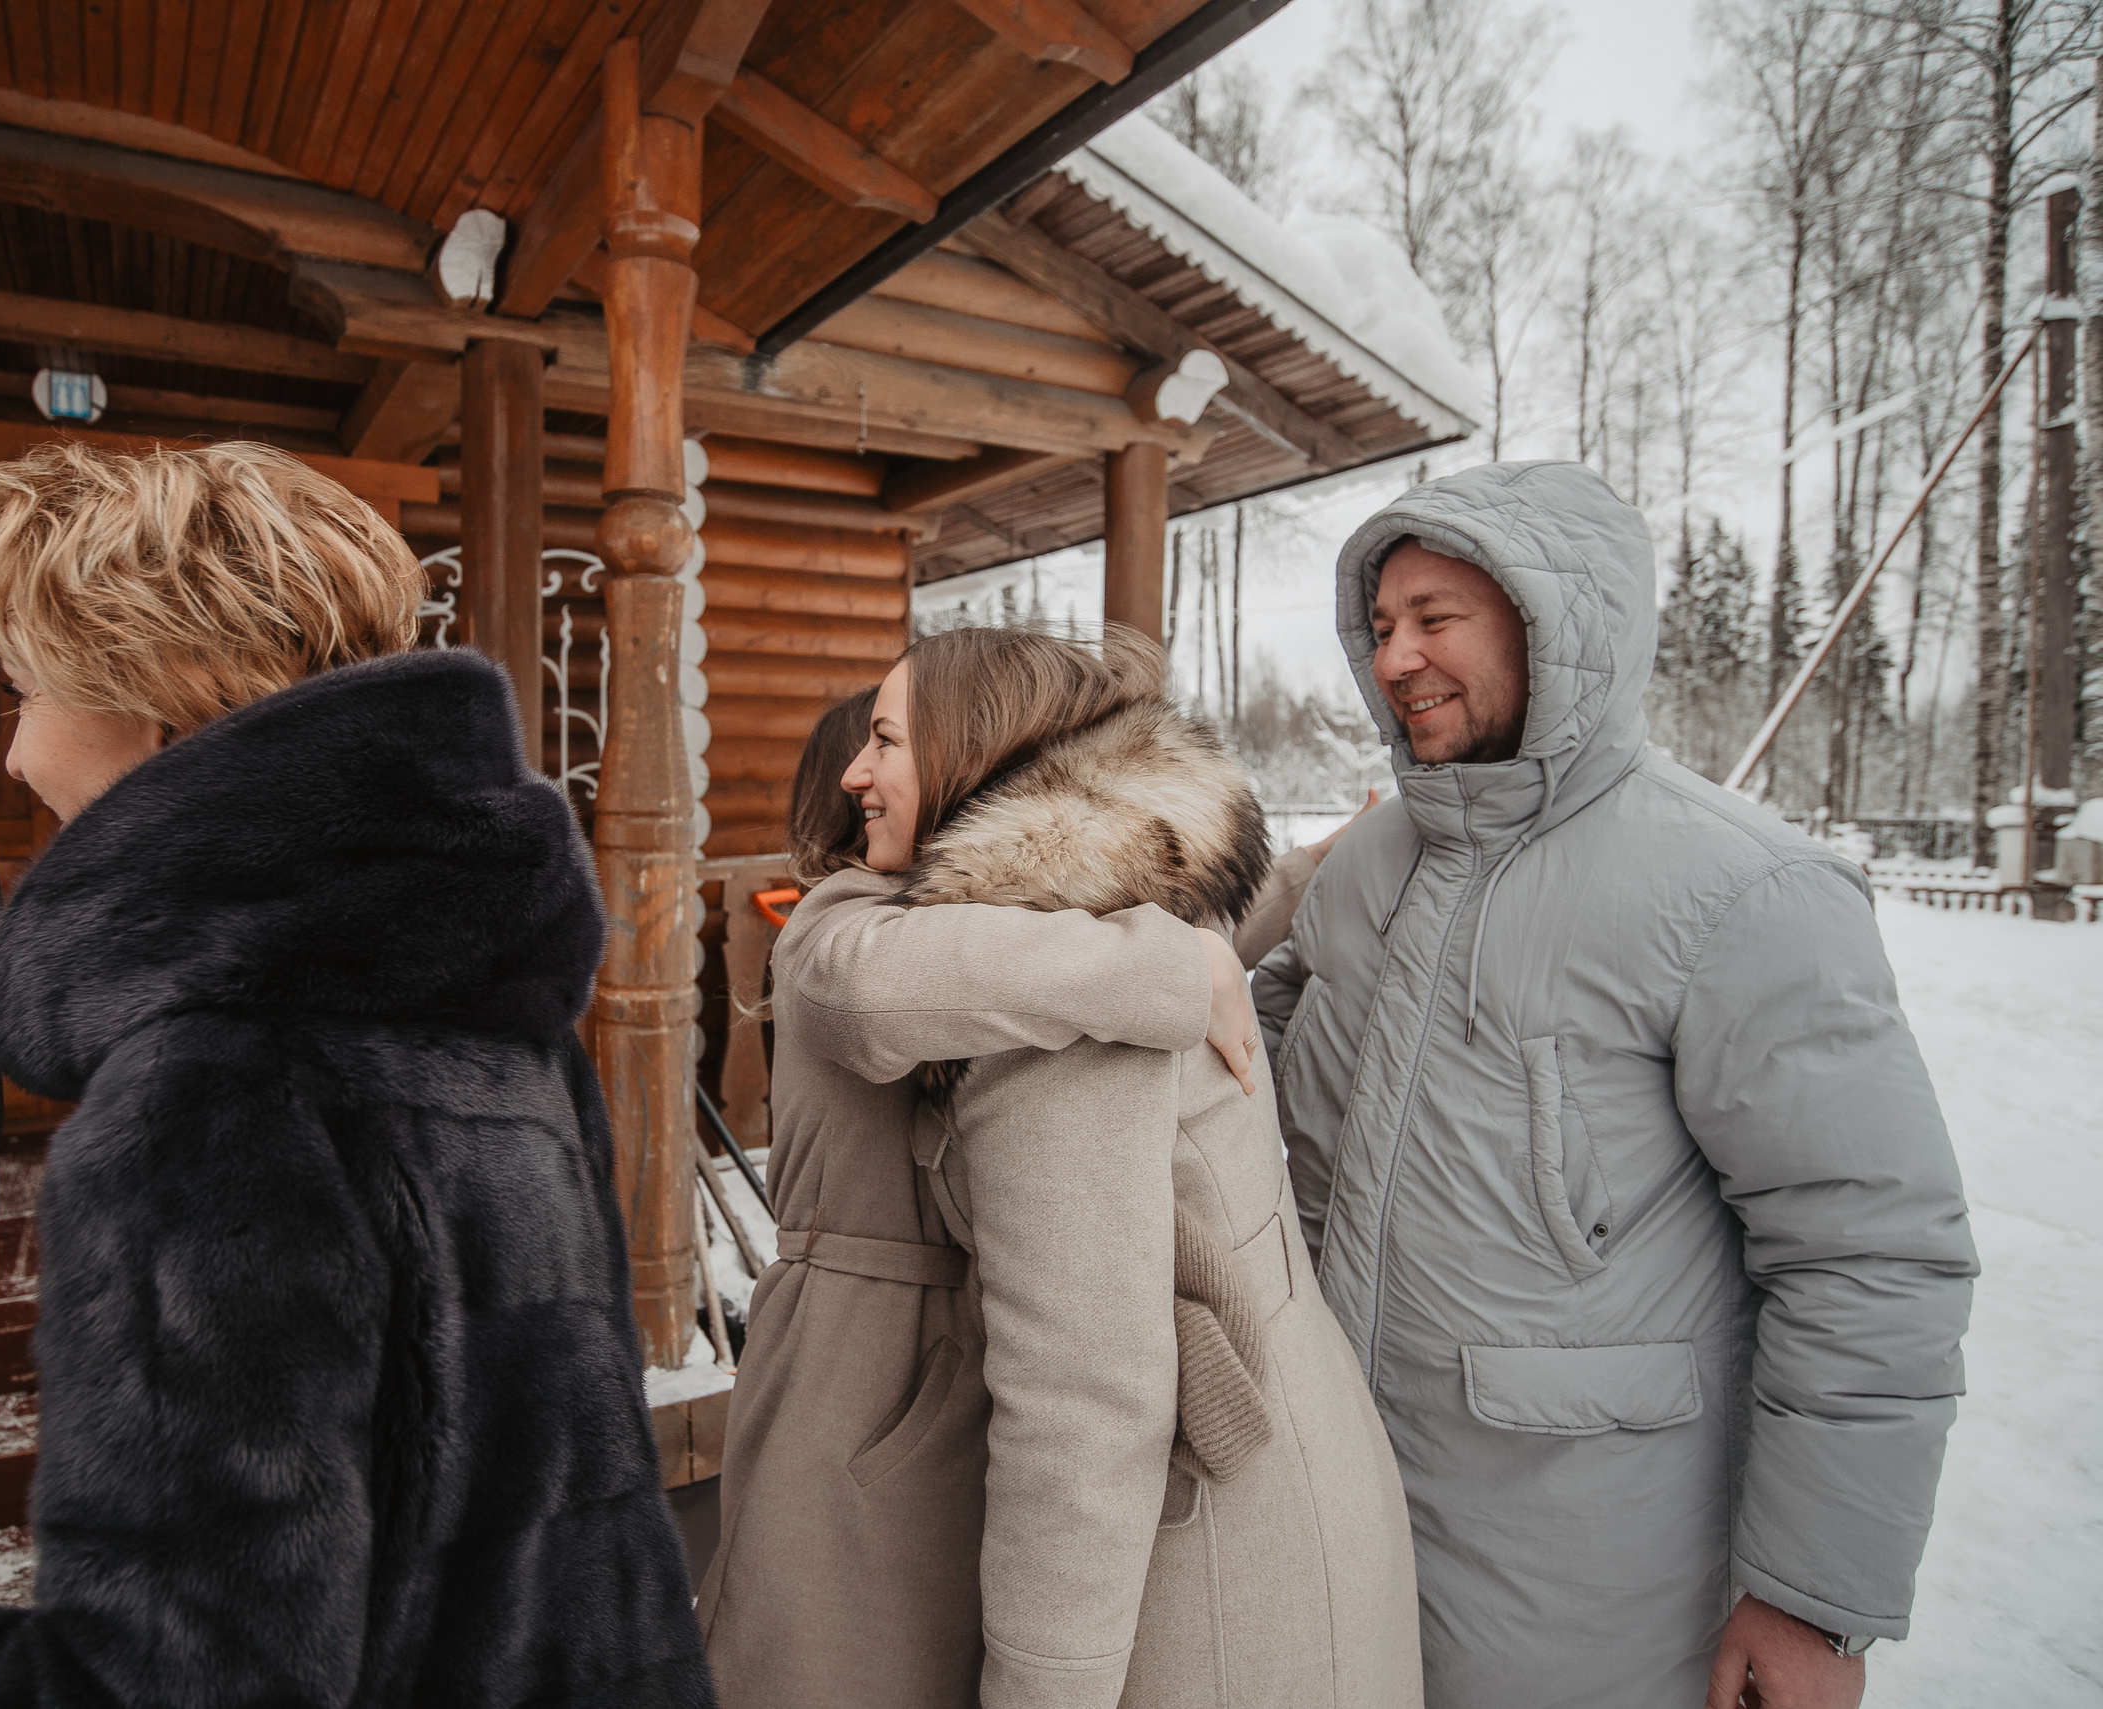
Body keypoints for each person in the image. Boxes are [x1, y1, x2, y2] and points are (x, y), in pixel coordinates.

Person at [0, 441, 715, 1709]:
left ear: (149, 697)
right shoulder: (479, 1000)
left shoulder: (218, 1085)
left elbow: (179, 1675)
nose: (13, 755)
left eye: (26, 690)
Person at [1252, 461, 1977, 1709]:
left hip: (1592, 1573)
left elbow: (1869, 1255)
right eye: (1378, 625)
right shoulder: (1370, 860)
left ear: (1553, 624)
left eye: (1434, 617)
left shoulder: (1742, 889)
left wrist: (1811, 1598)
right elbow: (1258, 1045)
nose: (1395, 658)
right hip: (1338, 1523)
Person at [698, 626, 1419, 1709]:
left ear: (966, 754)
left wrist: (1288, 884)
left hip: (1051, 1443)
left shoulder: (1048, 976)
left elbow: (1085, 1398)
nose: (855, 775)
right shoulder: (881, 936)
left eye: (885, 741)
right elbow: (884, 985)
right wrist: (1172, 962)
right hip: (876, 1372)